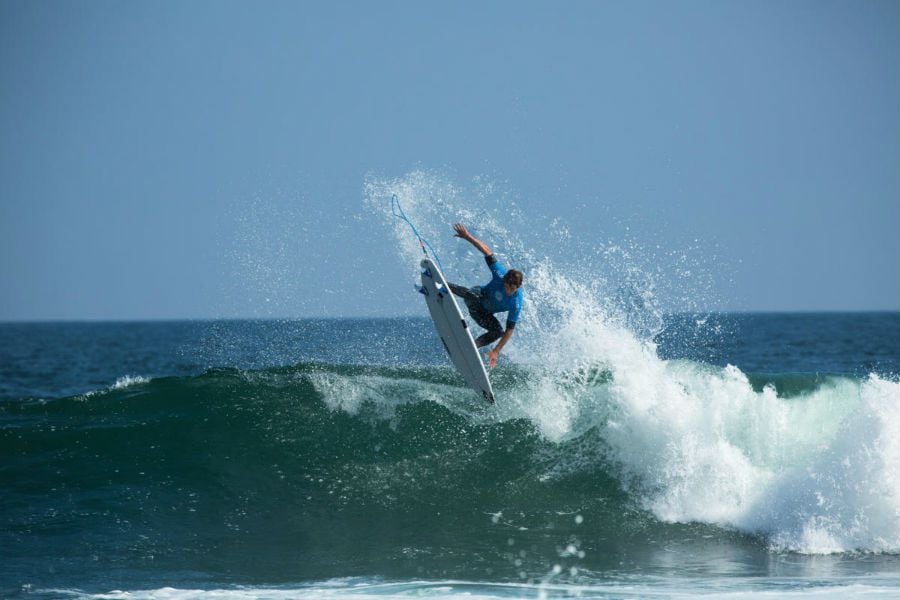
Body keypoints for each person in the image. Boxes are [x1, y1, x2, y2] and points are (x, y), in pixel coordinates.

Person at [449, 223, 524, 368]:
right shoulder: (500, 274)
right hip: (476, 297)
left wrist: (496, 351)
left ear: (518, 287)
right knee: (473, 295)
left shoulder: (516, 303)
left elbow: (509, 331)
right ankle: (444, 286)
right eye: (507, 286)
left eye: (512, 289)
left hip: (482, 314)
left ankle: (472, 347)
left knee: (498, 332)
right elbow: (488, 252)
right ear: (504, 280)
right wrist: (467, 237)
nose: (508, 290)